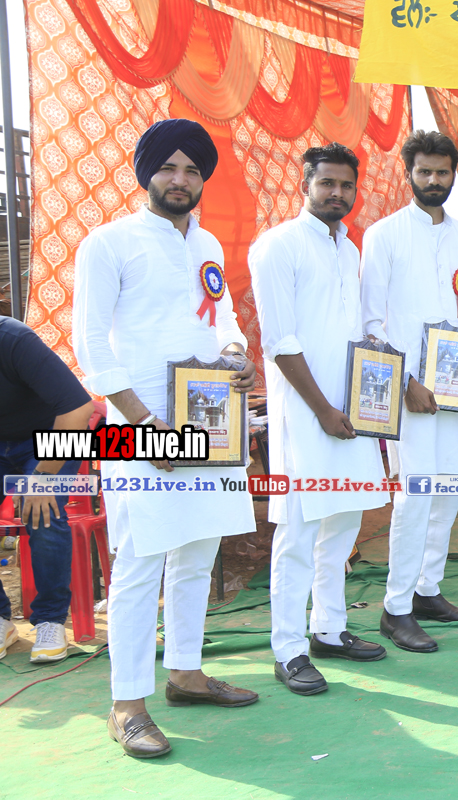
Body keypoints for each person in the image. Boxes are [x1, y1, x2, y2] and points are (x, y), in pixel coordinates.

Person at [73, 119, 259, 757]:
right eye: (169, 168)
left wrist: (235, 352)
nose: (180, 180)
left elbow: (222, 315)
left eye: (192, 170)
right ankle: (127, 703)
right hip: (138, 431)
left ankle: (185, 673)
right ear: (145, 173)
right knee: (139, 561)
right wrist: (142, 422)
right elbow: (90, 344)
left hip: (210, 423)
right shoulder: (109, 242)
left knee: (198, 550)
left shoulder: (206, 243)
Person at [250, 143, 389, 696]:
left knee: (345, 521)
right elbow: (279, 341)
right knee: (299, 530)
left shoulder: (349, 250)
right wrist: (323, 409)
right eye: (327, 182)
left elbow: (355, 331)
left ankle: (329, 628)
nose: (337, 192)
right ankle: (288, 650)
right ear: (305, 184)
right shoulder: (277, 245)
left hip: (353, 411)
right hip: (307, 415)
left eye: (346, 185)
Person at [360, 131, 458, 653]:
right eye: (425, 171)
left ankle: (428, 589)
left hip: (456, 385)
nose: (434, 180)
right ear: (408, 173)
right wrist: (407, 379)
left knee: (450, 486)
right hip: (409, 389)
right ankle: (396, 609)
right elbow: (371, 322)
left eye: (443, 172)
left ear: (454, 174)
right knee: (415, 496)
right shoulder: (384, 235)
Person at [0, 317, 93, 664]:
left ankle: (51, 621)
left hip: (51, 436)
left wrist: (41, 480)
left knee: (42, 511)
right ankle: (2, 621)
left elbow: (78, 410)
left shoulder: (13, 340)